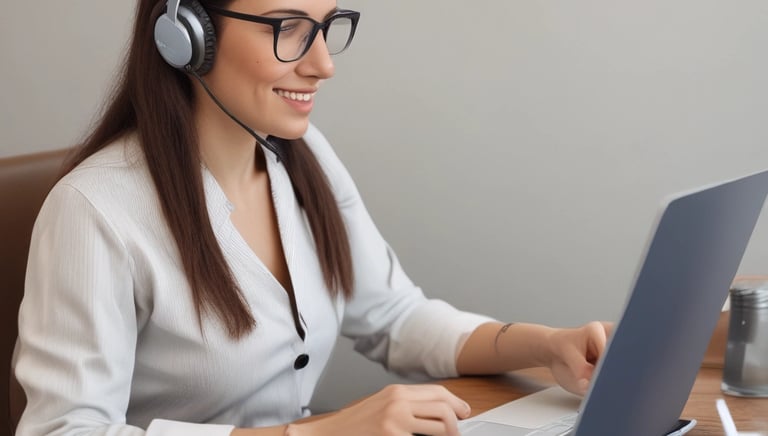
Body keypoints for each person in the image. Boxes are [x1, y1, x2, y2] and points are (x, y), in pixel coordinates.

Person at [12, 0, 611, 435]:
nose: (323, 64)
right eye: (288, 28)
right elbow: (64, 430)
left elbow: (396, 317)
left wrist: (545, 345)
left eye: (325, 27)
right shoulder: (94, 210)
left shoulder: (303, 158)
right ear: (187, 37)